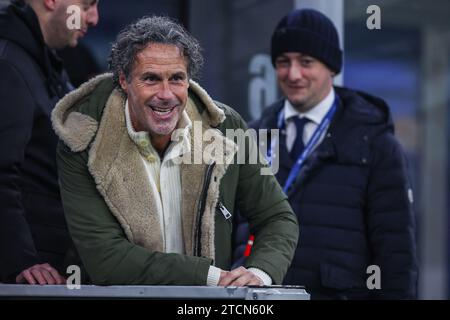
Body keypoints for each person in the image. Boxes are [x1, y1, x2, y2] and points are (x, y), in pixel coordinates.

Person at [51, 15, 298, 286]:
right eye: (151, 79)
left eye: (177, 79)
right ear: (123, 80)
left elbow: (277, 217)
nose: (166, 94)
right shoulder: (81, 139)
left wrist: (260, 274)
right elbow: (106, 259)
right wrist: (210, 276)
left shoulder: (227, 128)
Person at [233, 8, 418, 299]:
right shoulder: (252, 138)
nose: (293, 74)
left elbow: (396, 254)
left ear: (332, 67)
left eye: (306, 62)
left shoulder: (376, 143)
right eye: (283, 62)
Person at [0, 0, 99, 284]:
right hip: (26, 281)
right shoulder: (8, 62)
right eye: (88, 4)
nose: (94, 18)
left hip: (53, 271)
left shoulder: (43, 63)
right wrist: (20, 262)